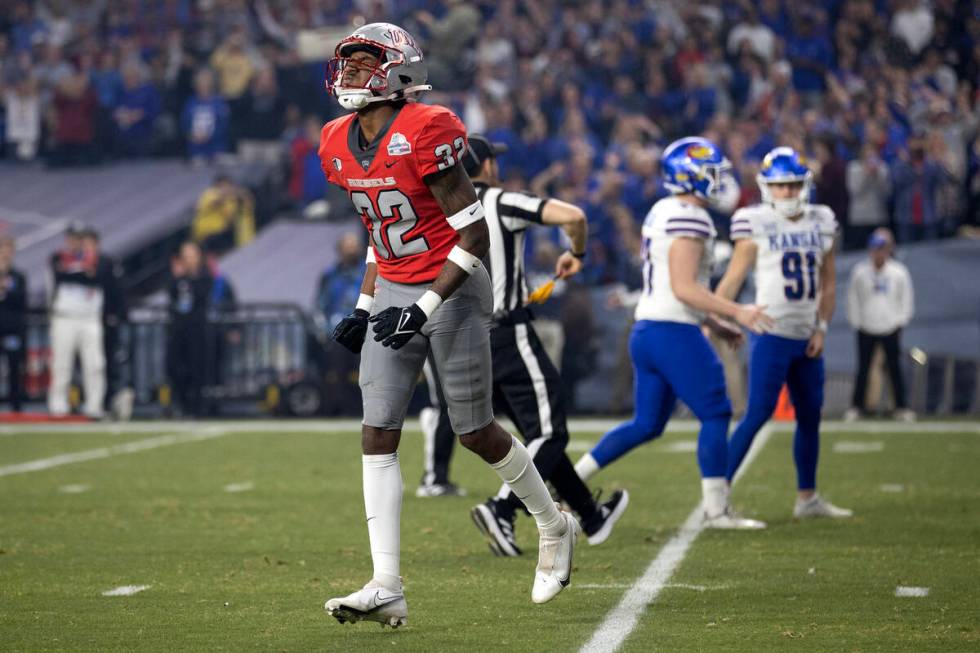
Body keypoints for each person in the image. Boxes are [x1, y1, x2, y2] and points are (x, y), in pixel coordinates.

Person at [320, 23, 576, 628]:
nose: (351, 73)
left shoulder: (426, 129)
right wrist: (364, 308)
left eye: (364, 63)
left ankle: (553, 521)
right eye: (348, 63)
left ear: (397, 73)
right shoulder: (336, 140)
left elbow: (473, 232)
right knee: (377, 432)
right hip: (393, 288)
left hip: (453, 285)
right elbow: (382, 233)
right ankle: (386, 584)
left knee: (474, 431)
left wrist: (424, 308)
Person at [412, 134, 629, 553]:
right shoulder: (499, 200)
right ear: (486, 166)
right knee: (551, 433)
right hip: (507, 333)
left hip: (456, 336)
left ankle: (589, 512)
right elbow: (574, 216)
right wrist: (577, 254)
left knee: (532, 433)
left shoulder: (432, 209)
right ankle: (503, 509)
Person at [573, 137, 773, 529]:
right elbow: (684, 288)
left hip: (649, 329)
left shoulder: (664, 209)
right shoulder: (690, 216)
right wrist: (739, 311)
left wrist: (717, 322)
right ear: (692, 175)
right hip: (671, 331)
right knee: (716, 412)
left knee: (646, 424)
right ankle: (716, 511)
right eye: (712, 173)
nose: (719, 182)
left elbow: (673, 284)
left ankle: (569, 481)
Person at [716, 147, 853, 519]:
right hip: (771, 332)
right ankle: (717, 496)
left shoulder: (821, 219)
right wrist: (715, 317)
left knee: (810, 416)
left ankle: (806, 498)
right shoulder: (755, 222)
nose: (788, 193)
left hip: (808, 334)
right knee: (758, 412)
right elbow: (734, 278)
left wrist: (822, 328)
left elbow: (828, 282)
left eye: (793, 185)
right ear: (767, 189)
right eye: (781, 187)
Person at [844, 228, 915, 422]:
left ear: (889, 250)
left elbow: (906, 299)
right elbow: (852, 298)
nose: (879, 253)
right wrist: (856, 321)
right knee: (863, 368)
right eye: (876, 249)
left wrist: (901, 321)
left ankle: (901, 406)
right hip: (866, 325)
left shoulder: (898, 272)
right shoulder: (860, 271)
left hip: (891, 326)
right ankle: (857, 406)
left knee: (894, 368)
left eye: (882, 249)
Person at [47, 222, 107, 418]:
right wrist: (82, 271)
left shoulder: (97, 259)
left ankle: (94, 405)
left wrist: (76, 271)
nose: (77, 242)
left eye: (80, 238)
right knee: (61, 363)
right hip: (64, 317)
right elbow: (61, 276)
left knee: (95, 364)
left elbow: (96, 278)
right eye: (73, 237)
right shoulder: (58, 257)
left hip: (89, 318)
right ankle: (58, 405)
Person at [166, 241, 212, 417]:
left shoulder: (204, 277)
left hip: (197, 329)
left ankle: (198, 407)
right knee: (176, 368)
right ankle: (180, 404)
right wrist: (178, 277)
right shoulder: (177, 279)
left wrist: (190, 277)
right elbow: (171, 295)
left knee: (197, 369)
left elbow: (202, 295)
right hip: (178, 329)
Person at [190, 174, 255, 254]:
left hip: (219, 235)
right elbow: (214, 203)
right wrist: (227, 195)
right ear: (217, 186)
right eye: (223, 186)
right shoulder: (209, 194)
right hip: (204, 236)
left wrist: (243, 196)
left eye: (228, 186)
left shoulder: (231, 200)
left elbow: (236, 215)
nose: (226, 189)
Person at [0, 235, 27, 412]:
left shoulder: (18, 276)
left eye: (8, 250)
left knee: (14, 368)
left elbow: (22, 301)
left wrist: (5, 290)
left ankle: (15, 408)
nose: (5, 254)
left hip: (11, 329)